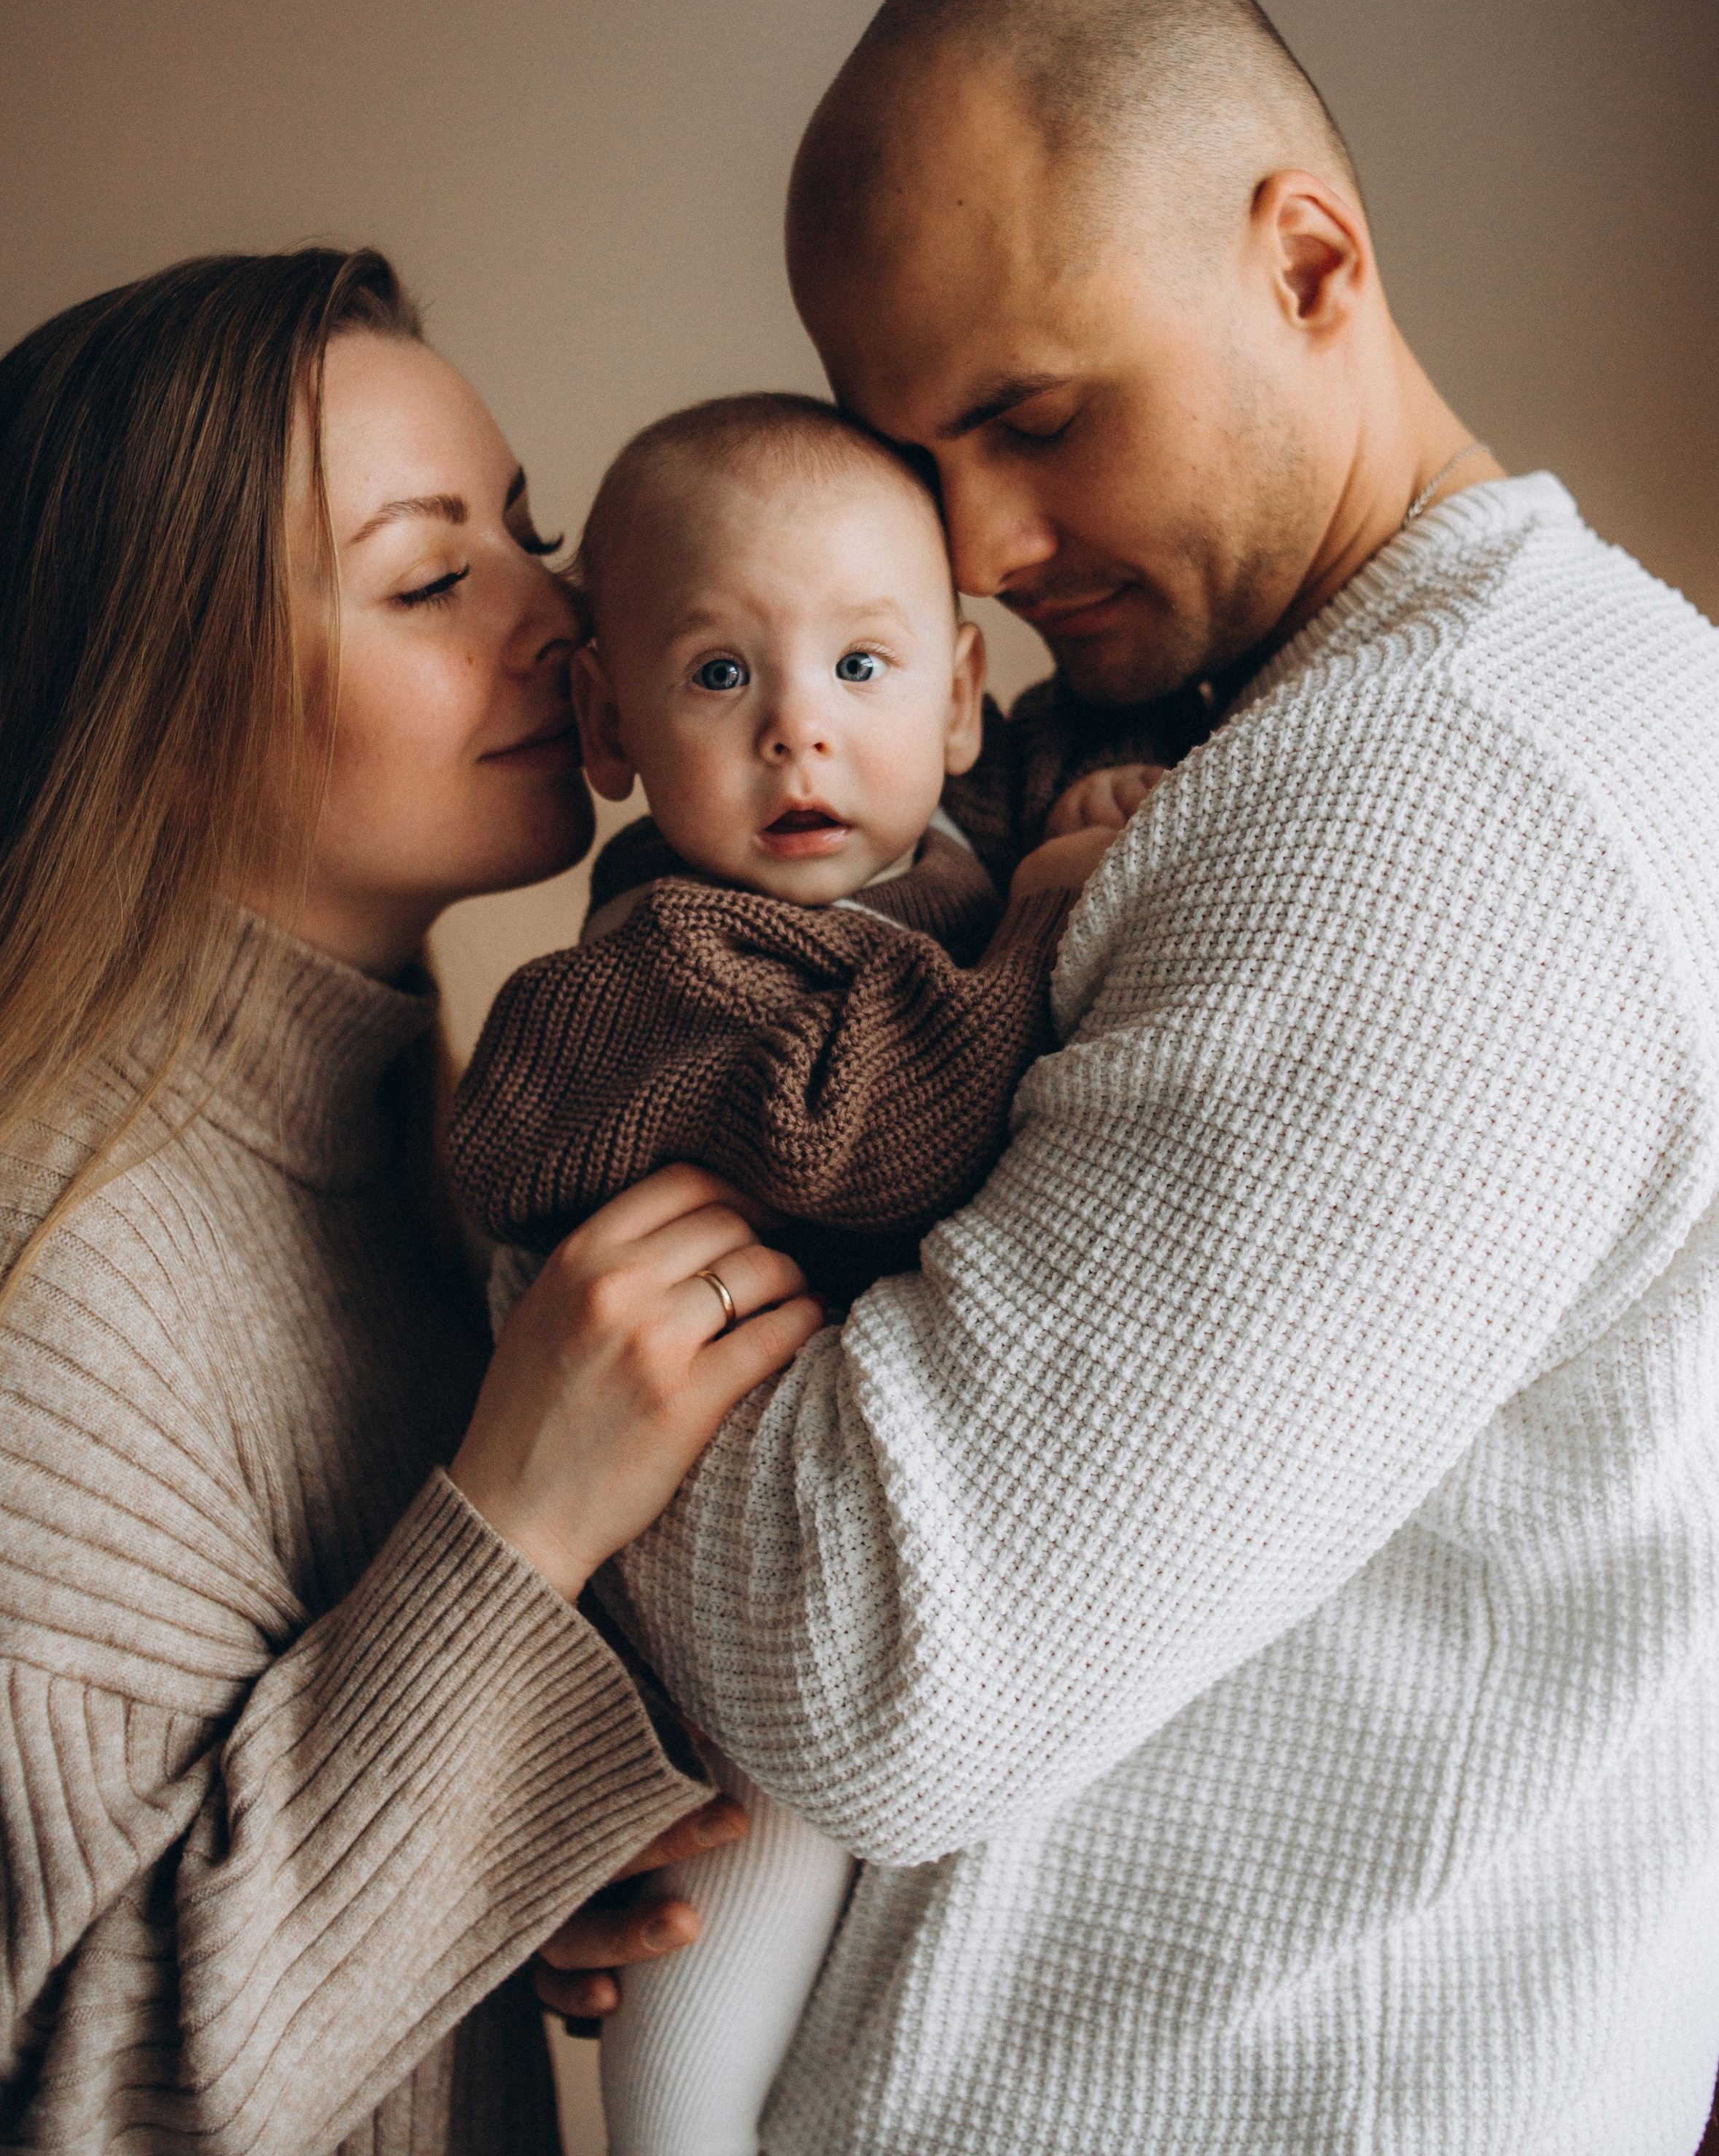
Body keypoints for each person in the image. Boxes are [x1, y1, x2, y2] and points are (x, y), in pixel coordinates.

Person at [557, 0, 1719, 2155]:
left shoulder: (1451, 801)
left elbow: (862, 1659)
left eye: (1033, 415)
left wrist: (552, 1370)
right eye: (913, 451)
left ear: (1309, 263)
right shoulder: (1488, 711)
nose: (979, 546)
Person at [0, 248, 822, 2155]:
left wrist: (465, 1877)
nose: (565, 617)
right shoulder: (44, 1280)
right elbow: (65, 2119)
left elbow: (220, 1888)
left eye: (528, 534)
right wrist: (521, 1516)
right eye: (428, 577)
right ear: (150, 706)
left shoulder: (423, 1152)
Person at [446, 388, 1154, 2155]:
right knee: (697, 2023)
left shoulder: (929, 836)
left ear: (958, 689)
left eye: (861, 668)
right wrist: (1056, 906)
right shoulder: (659, 963)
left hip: (873, 1527)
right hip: (695, 1633)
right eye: (714, 679)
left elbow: (986, 812)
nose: (798, 741)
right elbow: (870, 1133)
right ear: (606, 721)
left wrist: (1079, 798)